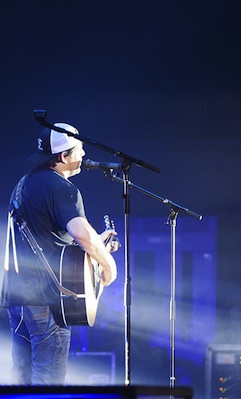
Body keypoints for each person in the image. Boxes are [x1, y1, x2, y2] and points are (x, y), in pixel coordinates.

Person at [1, 123, 119, 385]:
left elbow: (49, 240)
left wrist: (95, 246)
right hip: (46, 299)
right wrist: (108, 263)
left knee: (21, 380)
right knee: (48, 383)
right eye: (79, 148)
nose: (84, 153)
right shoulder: (63, 189)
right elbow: (82, 234)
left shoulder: (25, 183)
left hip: (17, 298)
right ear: (63, 157)